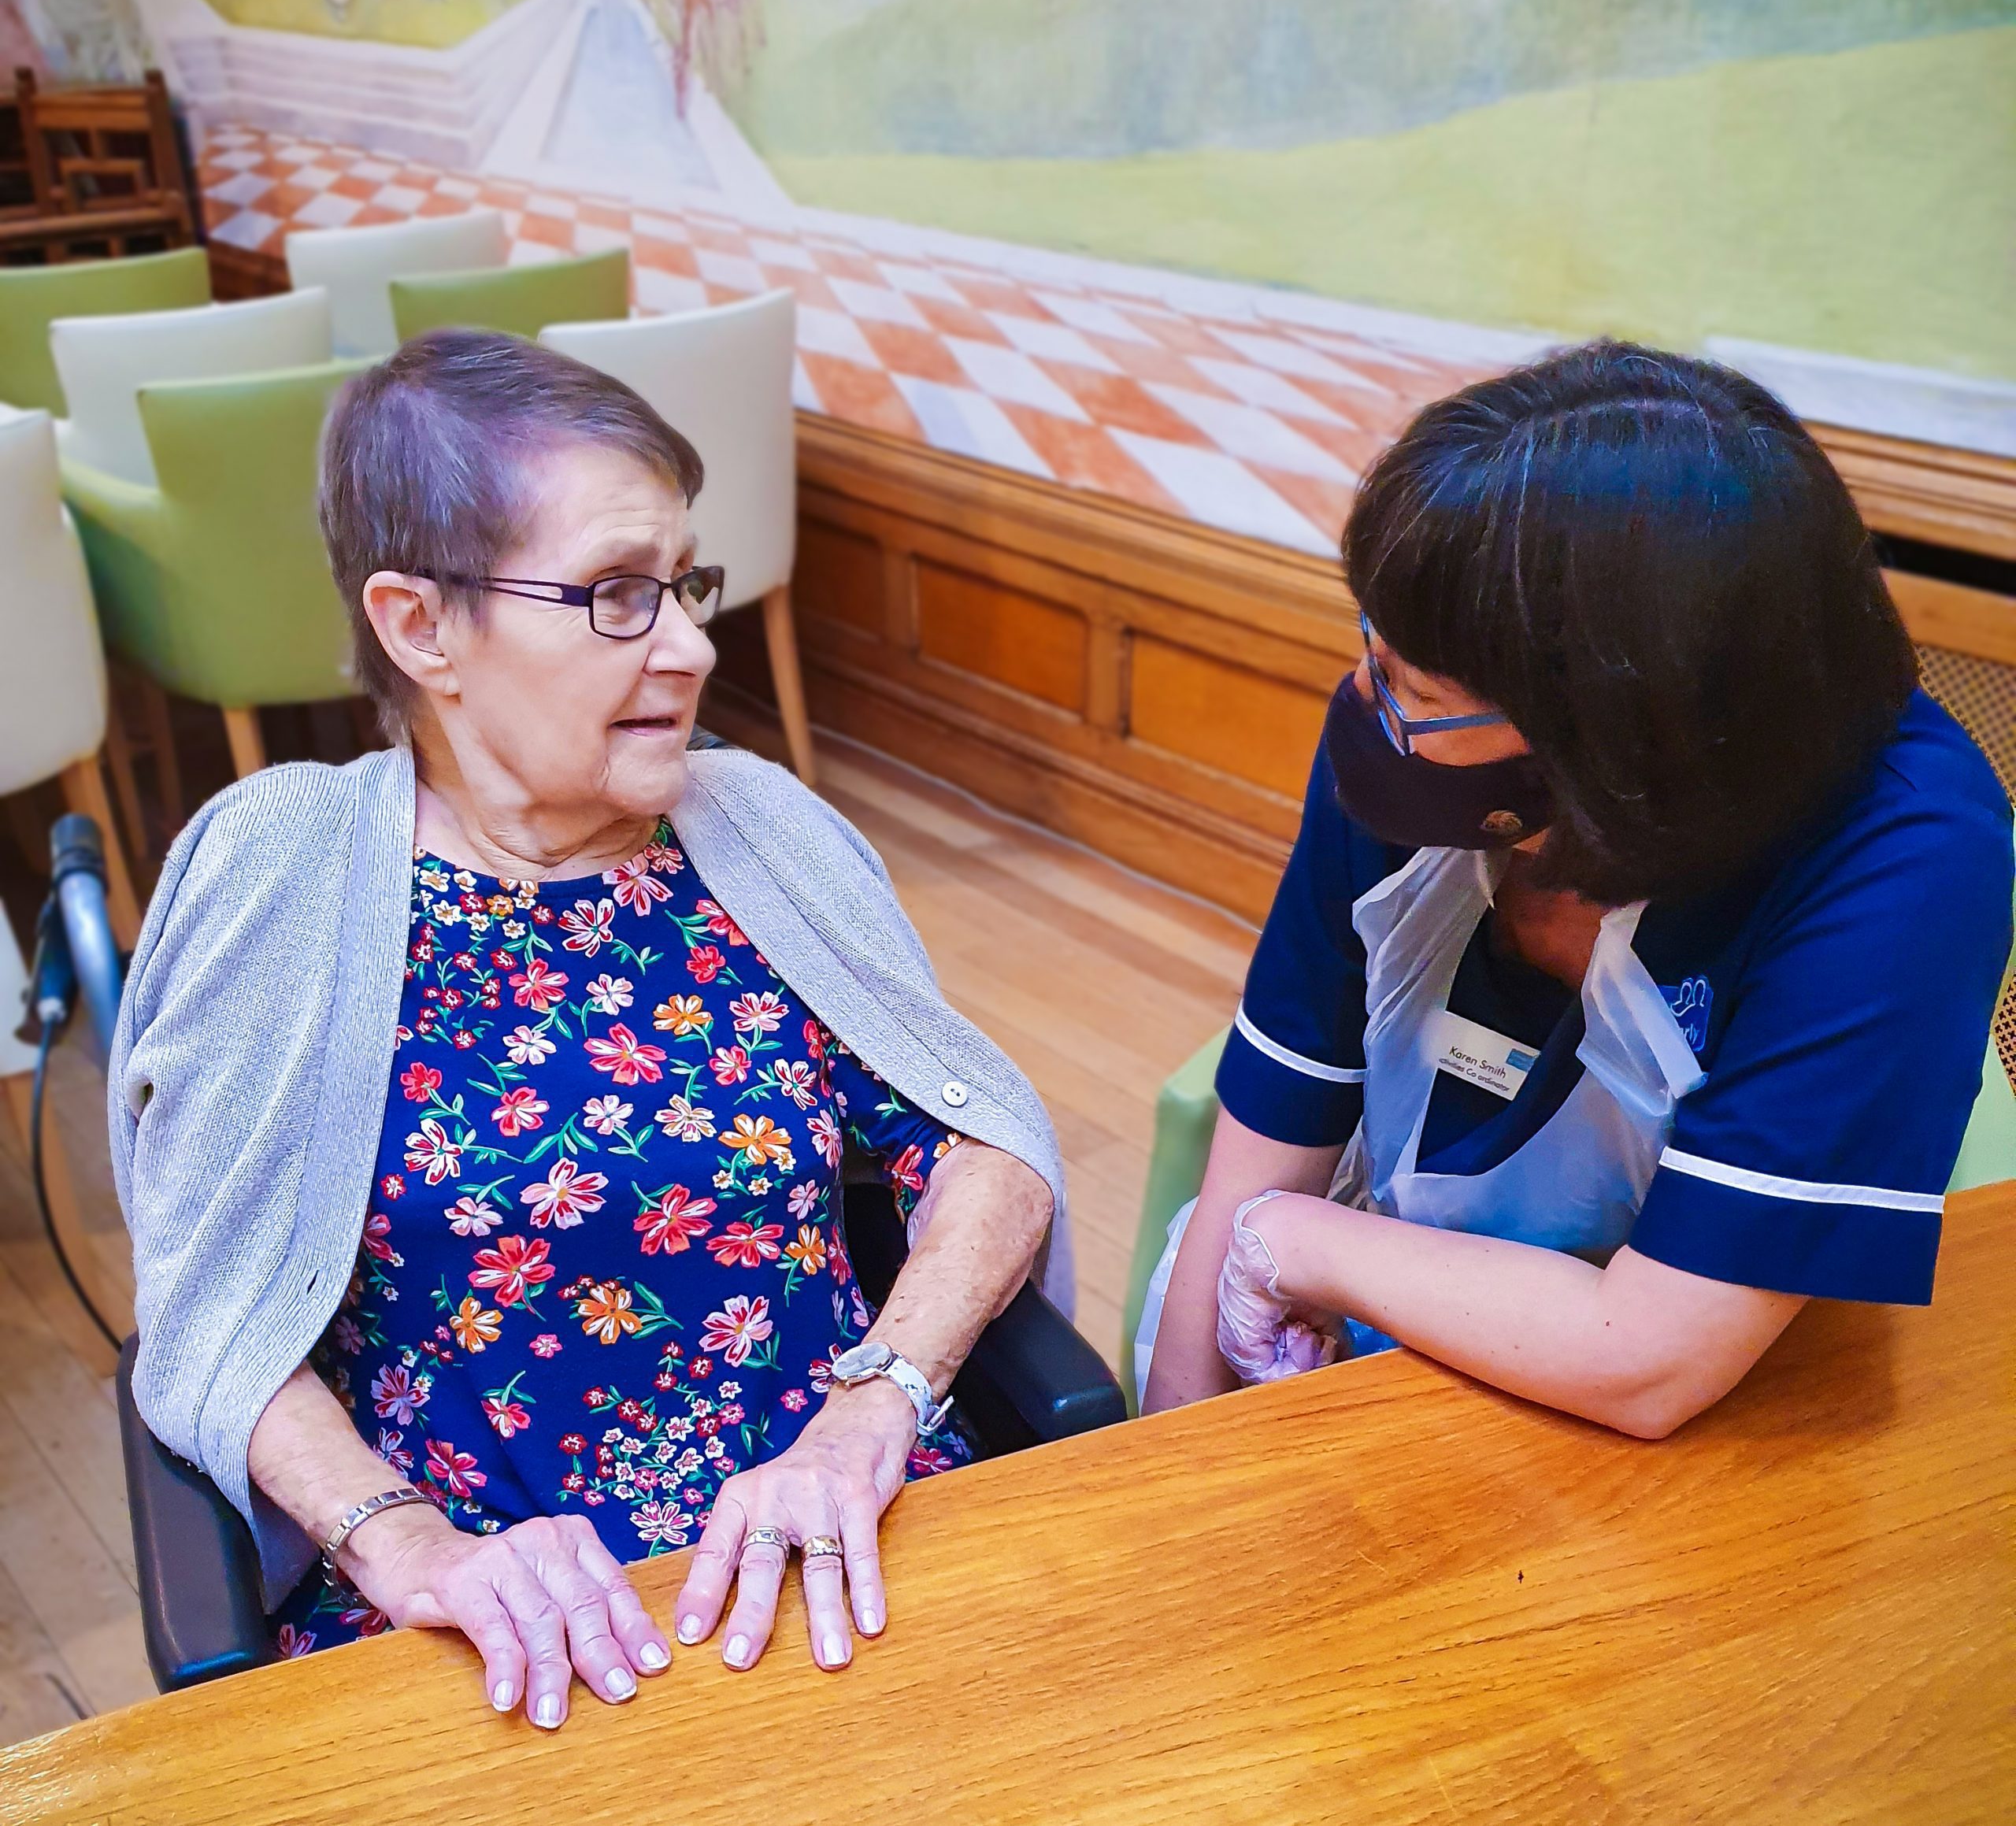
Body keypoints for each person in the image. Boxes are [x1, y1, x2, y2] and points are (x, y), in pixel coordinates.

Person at [111, 330, 1069, 1726]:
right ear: (421, 626)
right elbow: (210, 1314)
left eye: (682, 584)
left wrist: (874, 1407)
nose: (691, 644)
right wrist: (411, 1548)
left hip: (832, 1535)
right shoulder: (285, 871)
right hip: (480, 1615)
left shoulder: (761, 830)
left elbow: (984, 1148)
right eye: (617, 595)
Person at [1139, 341, 2011, 1432]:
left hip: (1704, 1376)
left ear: (1602, 740)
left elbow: (1652, 1360)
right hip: (1381, 1299)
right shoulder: (1411, 747)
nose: (1373, 701)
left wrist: (1300, 1244)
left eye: (1411, 685)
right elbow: (1276, 1115)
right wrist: (1173, 1425)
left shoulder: (1904, 857)